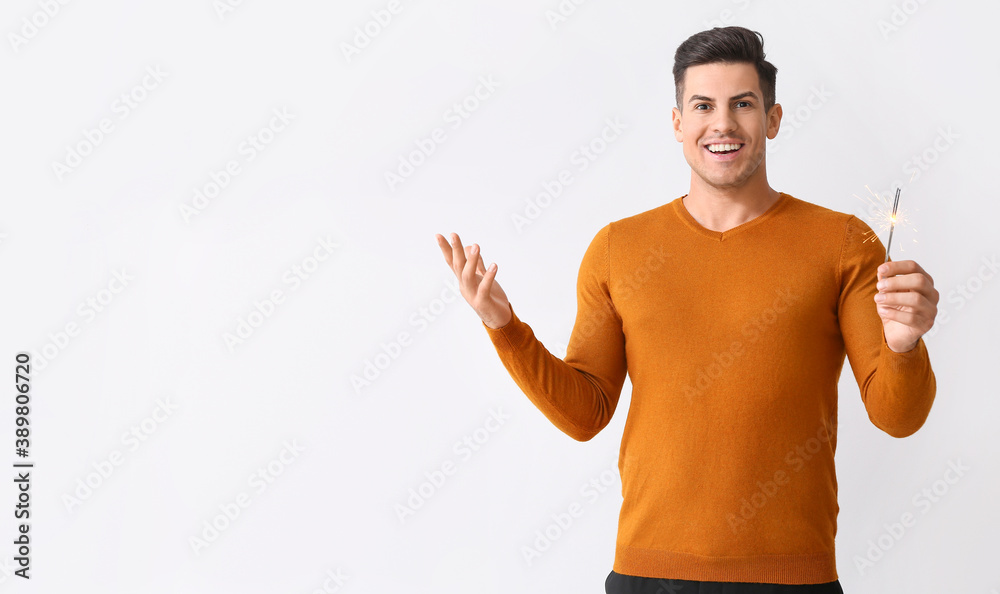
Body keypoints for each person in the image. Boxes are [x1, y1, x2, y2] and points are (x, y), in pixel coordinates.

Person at [434, 25, 938, 593]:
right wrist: (504, 327)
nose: (722, 123)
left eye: (742, 104)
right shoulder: (618, 249)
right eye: (703, 106)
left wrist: (904, 345)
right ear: (678, 123)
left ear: (772, 119)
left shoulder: (845, 244)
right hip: (648, 576)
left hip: (791, 579)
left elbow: (898, 418)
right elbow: (585, 414)